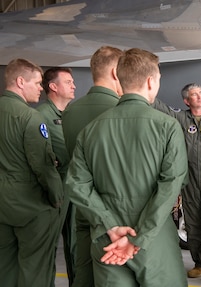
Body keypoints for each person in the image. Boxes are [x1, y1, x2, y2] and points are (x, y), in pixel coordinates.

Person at [65, 47, 189, 286]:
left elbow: (76, 184)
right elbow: (171, 184)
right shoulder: (167, 126)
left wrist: (109, 225)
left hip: (108, 240)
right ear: (151, 81)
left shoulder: (91, 130)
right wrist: (140, 237)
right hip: (155, 240)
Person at [152, 83, 201, 286]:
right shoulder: (180, 119)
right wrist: (147, 86)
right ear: (187, 101)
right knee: (194, 225)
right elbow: (161, 108)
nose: (199, 97)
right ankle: (200, 263)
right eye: (194, 95)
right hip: (190, 181)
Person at [62, 45, 124, 287]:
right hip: (114, 210)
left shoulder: (70, 111)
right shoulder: (120, 110)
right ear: (115, 73)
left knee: (82, 270)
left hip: (81, 208)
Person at [0, 58, 64, 286]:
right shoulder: (30, 118)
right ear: (20, 82)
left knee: (5, 268)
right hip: (32, 206)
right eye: (37, 83)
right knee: (36, 269)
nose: (40, 88)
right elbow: (43, 166)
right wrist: (57, 198)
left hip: (3, 205)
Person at [37, 67, 76, 286]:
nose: (74, 85)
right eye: (68, 82)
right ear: (53, 86)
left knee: (75, 247)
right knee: (47, 248)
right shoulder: (41, 115)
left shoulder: (72, 114)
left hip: (73, 189)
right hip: (53, 191)